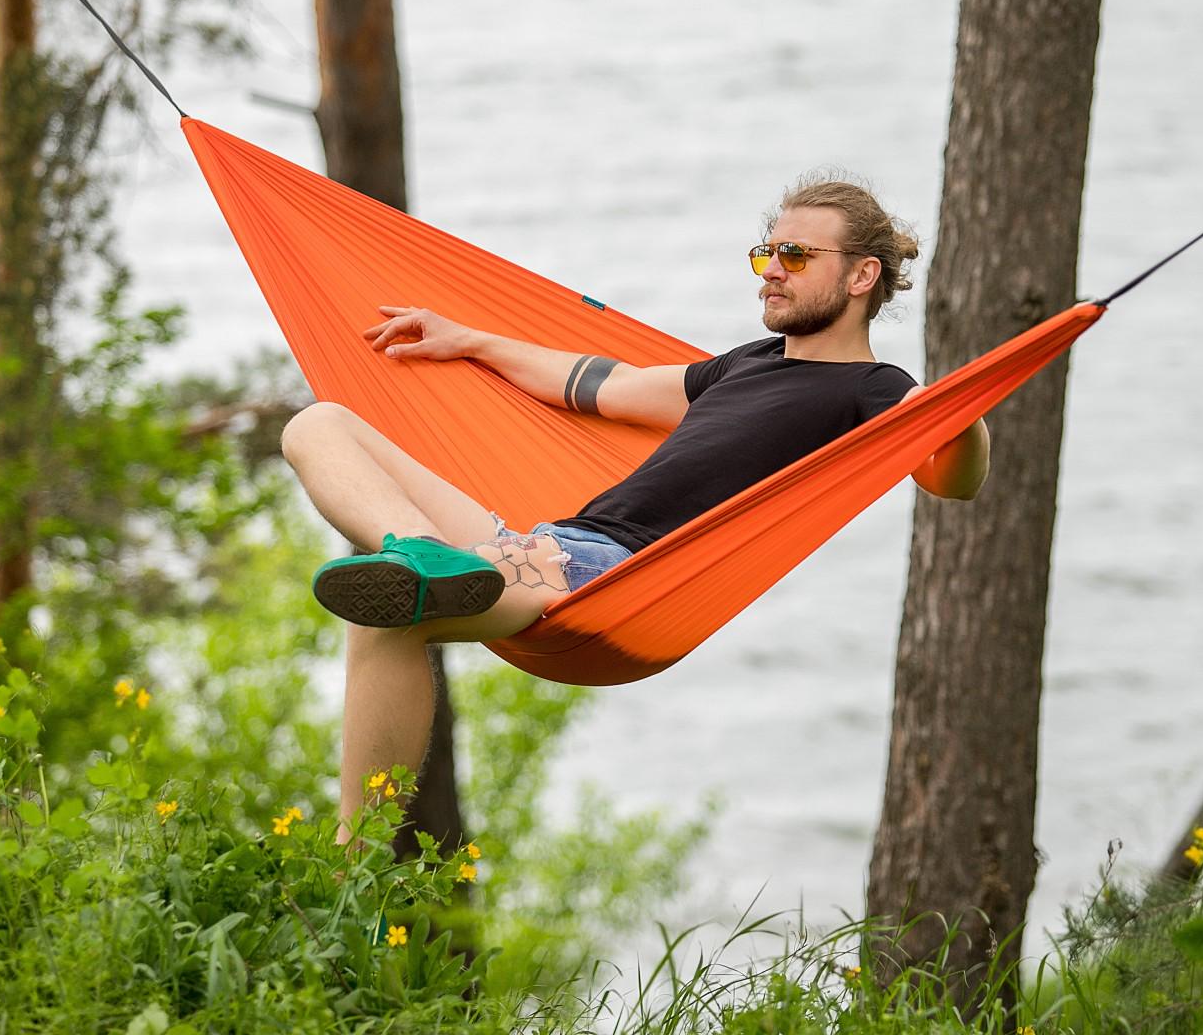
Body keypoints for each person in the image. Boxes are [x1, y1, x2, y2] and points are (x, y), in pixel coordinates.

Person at [278, 172, 991, 827]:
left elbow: (949, 480)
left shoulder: (873, 388)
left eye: (796, 256)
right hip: (549, 541)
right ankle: (419, 548)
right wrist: (471, 339)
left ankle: (354, 869)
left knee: (394, 612)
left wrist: (958, 416)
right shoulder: (746, 362)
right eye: (766, 253)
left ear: (862, 274)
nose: (771, 271)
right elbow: (602, 385)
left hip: (618, 576)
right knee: (320, 425)